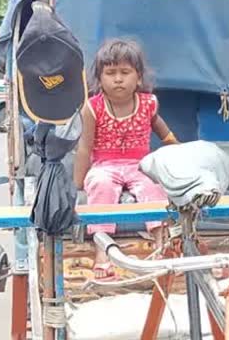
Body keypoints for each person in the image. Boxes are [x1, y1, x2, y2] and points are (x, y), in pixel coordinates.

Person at [73, 38, 178, 281]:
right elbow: (85, 146)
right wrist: (78, 184)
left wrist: (182, 153)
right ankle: (103, 251)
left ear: (139, 77)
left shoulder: (149, 104)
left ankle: (162, 246)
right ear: (99, 79)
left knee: (153, 186)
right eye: (110, 73)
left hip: (140, 164)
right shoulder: (92, 107)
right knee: (100, 184)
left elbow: (165, 133)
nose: (118, 79)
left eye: (125, 72)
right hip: (105, 166)